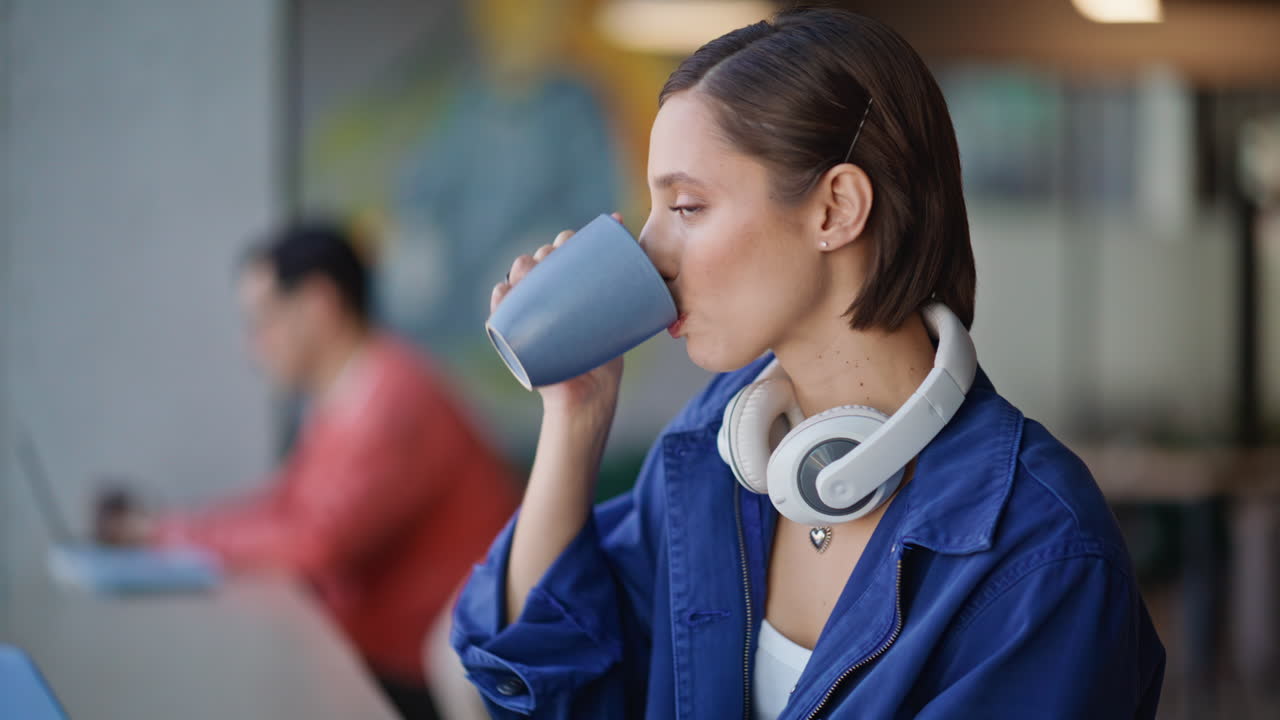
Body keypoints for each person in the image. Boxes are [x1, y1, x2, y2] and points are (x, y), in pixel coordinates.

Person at [451, 8, 1165, 719]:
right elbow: (548, 685)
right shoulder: (712, 455)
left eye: (688, 207)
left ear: (836, 209)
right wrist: (575, 415)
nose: (650, 256)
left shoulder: (1042, 551)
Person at [97, 220, 518, 720]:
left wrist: (162, 534)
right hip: (382, 658)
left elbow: (317, 542)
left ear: (319, 305)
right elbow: (282, 507)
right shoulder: (349, 395)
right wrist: (162, 530)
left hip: (430, 676)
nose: (252, 345)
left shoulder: (393, 400)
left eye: (262, 320)